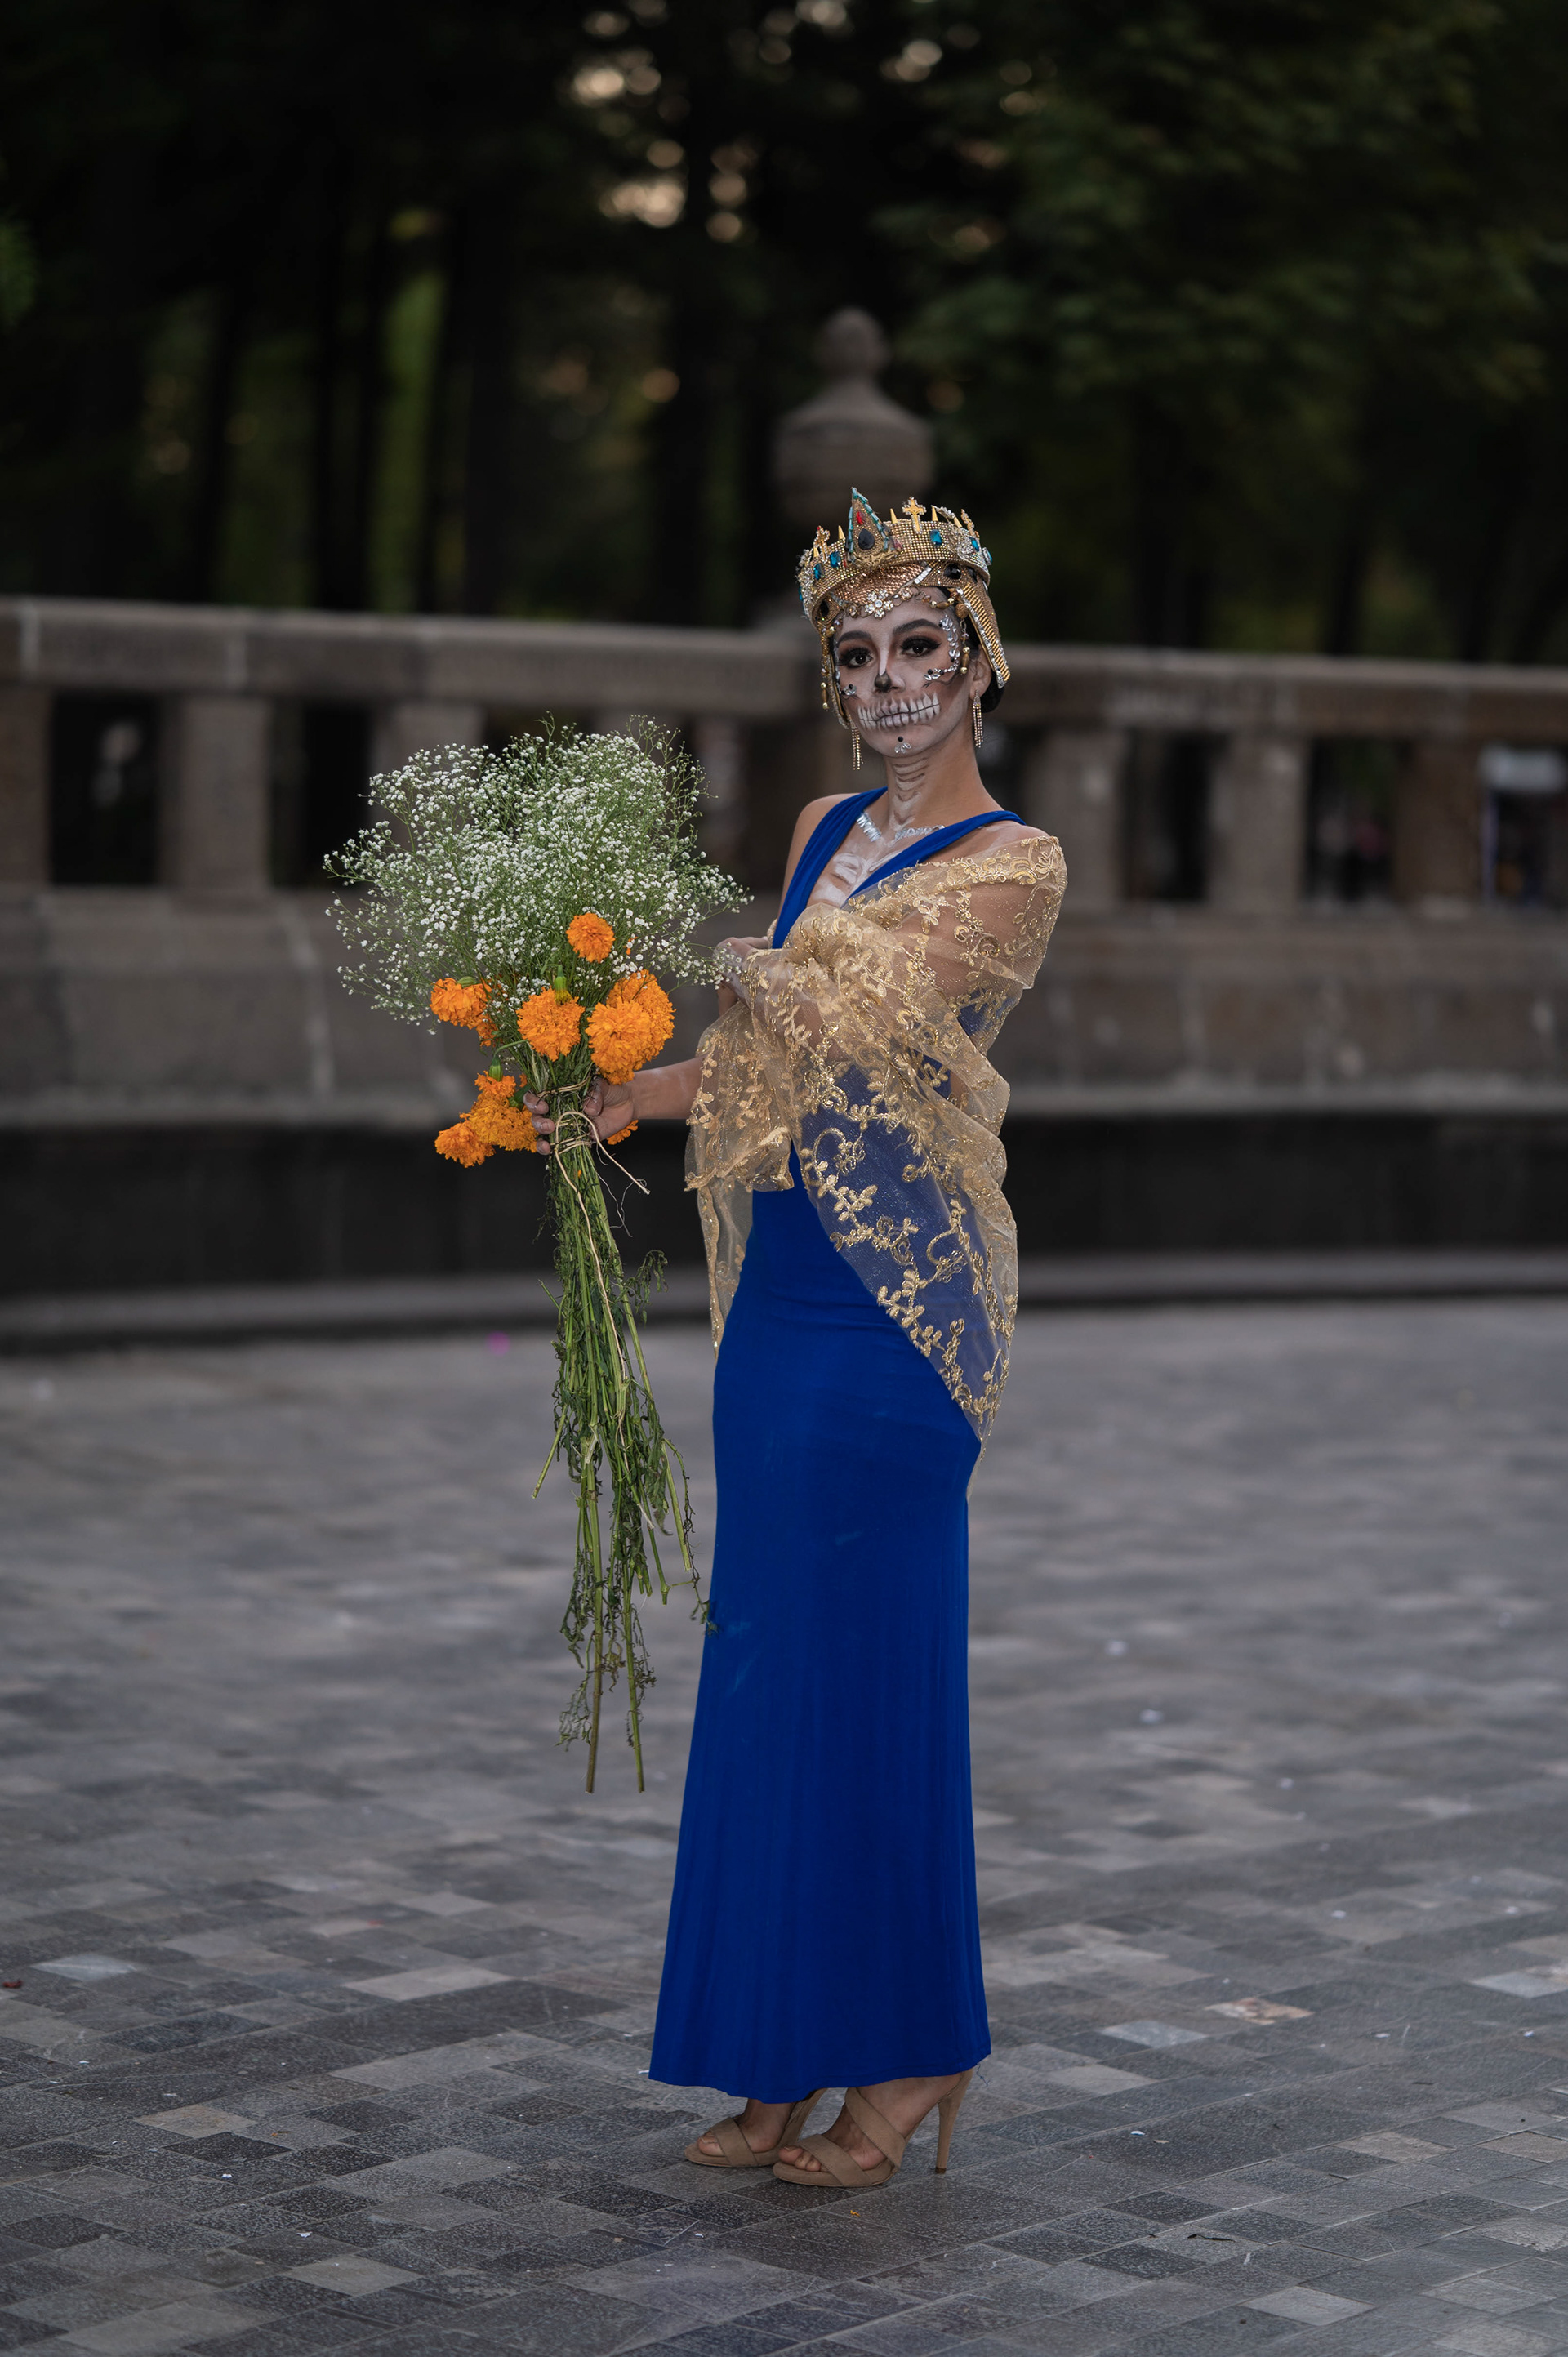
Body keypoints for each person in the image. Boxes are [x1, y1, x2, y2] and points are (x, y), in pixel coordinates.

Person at [529, 491, 1066, 2190]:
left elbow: (853, 1019)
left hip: (902, 1318)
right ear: (832, 681)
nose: (890, 679)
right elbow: (767, 1062)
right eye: (858, 654)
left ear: (977, 661)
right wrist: (626, 1087)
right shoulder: (827, 823)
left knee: (876, 1671)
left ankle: (911, 2055)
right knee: (767, 1665)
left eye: (921, 646)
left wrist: (725, 999)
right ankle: (774, 2048)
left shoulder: (1017, 864)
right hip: (786, 1293)